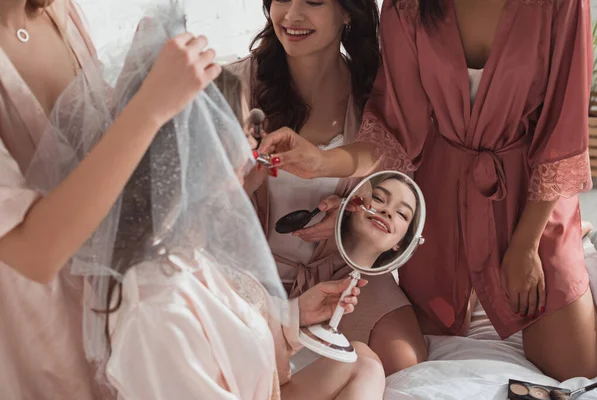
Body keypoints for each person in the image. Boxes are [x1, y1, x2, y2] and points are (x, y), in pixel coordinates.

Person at [28, 7, 385, 398]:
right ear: (199, 150)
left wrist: (298, 313)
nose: (257, 142)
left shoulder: (195, 254)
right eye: (246, 128)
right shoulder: (158, 306)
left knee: (363, 361)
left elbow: (234, 328)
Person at [259, 0, 597, 380]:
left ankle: (582, 253)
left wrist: (525, 245)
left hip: (531, 194)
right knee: (420, 347)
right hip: (438, 194)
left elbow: (563, 127)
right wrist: (321, 163)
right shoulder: (407, 5)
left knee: (578, 370)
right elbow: (395, 130)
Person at [0, 0, 222, 397]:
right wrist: (148, 107)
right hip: (33, 330)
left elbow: (90, 151)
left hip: (110, 303)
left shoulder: (57, 11)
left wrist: (135, 83)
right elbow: (34, 252)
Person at [227, 0, 427, 375]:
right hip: (250, 276)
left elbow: (402, 193)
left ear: (349, 12)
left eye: (314, 1)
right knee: (247, 373)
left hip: (339, 275)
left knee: (406, 362)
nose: (292, 15)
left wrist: (350, 217)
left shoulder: (375, 95)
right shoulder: (235, 86)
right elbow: (195, 206)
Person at [341, 174, 418, 270]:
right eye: (378, 198)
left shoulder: (382, 285)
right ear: (351, 203)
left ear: (401, 242)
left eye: (401, 213)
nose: (388, 211)